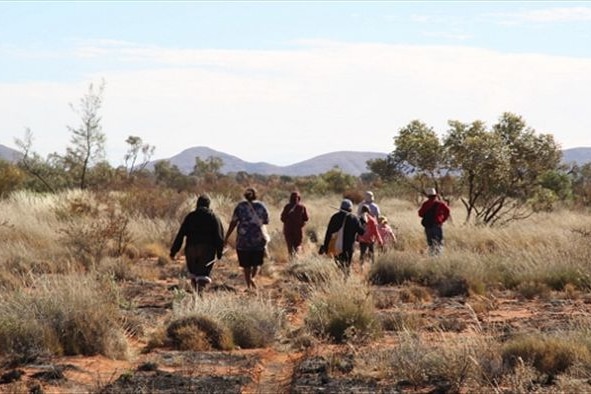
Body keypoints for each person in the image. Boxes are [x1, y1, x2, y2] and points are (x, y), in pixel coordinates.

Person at [170, 195, 225, 296]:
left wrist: (174, 251)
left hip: (191, 248)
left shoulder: (190, 216)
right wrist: (220, 252)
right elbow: (219, 236)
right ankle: (200, 295)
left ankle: (196, 295)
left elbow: (180, 234)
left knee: (194, 273)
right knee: (203, 274)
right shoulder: (214, 217)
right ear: (208, 205)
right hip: (207, 249)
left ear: (197, 204)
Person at [224, 187, 270, 291]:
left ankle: (248, 284)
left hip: (243, 240)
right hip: (258, 239)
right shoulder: (261, 206)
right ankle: (253, 278)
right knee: (257, 262)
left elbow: (233, 222)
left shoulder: (240, 207)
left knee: (246, 264)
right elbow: (266, 221)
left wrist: (226, 237)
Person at [319, 198, 365, 277]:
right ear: (350, 208)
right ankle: (345, 279)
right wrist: (362, 221)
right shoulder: (354, 219)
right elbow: (362, 232)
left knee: (339, 265)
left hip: (337, 246)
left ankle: (340, 278)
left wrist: (325, 246)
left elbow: (328, 233)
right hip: (349, 247)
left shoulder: (335, 217)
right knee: (347, 265)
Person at [418, 187, 451, 256]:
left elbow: (420, 214)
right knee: (438, 242)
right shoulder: (440, 204)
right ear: (435, 195)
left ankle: (432, 256)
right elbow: (448, 211)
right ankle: (439, 257)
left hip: (428, 226)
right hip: (437, 225)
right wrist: (442, 219)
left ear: (428, 196)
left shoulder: (425, 204)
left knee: (430, 243)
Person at [280, 191, 309, 257]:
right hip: (298, 230)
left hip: (288, 230)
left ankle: (292, 259)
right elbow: (306, 218)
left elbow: (282, 218)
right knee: (298, 244)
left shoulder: (287, 207)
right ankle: (297, 256)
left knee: (290, 246)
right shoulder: (302, 207)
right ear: (299, 198)